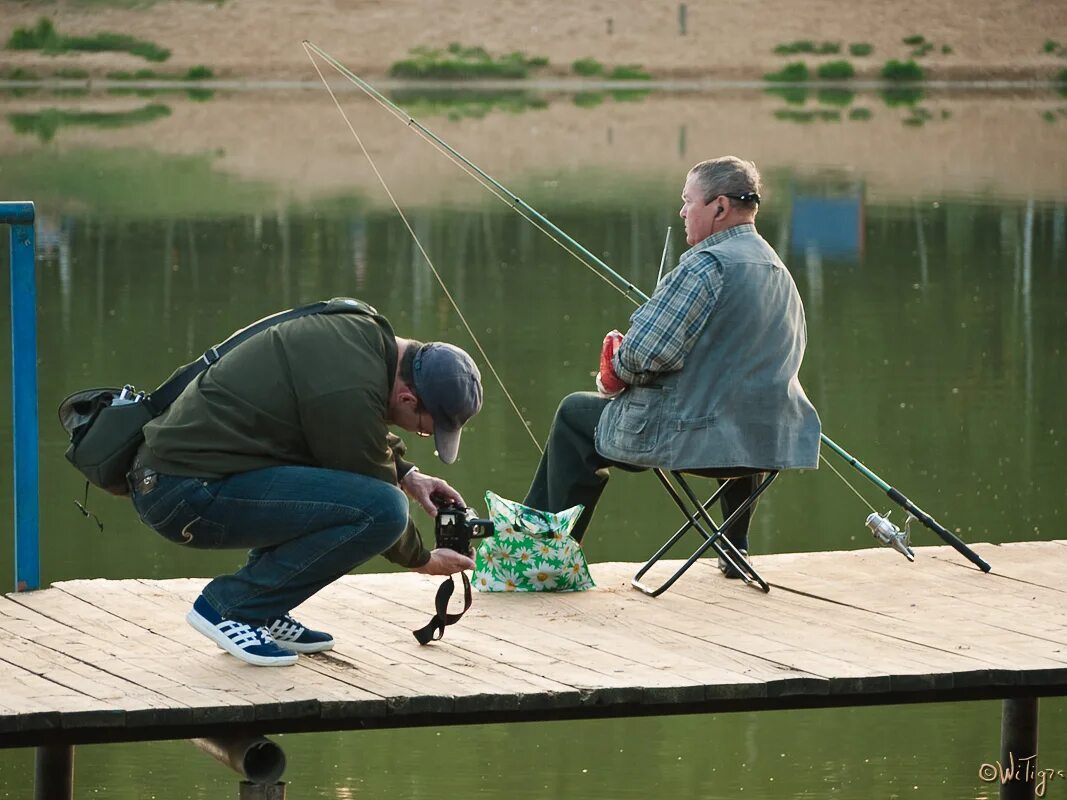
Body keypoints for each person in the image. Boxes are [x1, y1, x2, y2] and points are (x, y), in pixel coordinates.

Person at [127, 298, 482, 666]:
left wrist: (409, 474)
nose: (421, 434)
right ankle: (231, 608)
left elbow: (354, 423)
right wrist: (423, 560)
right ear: (408, 398)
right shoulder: (347, 388)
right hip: (184, 494)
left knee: (353, 492)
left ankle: (266, 606)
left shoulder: (361, 336)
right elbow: (365, 464)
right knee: (385, 511)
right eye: (427, 431)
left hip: (186, 477)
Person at [524, 156, 821, 571]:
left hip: (698, 441)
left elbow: (640, 357)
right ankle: (735, 548)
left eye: (688, 201)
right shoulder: (778, 269)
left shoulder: (706, 265)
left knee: (575, 413)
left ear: (718, 208)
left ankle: (541, 557)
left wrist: (619, 362)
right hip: (769, 442)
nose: (682, 211)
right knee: (739, 409)